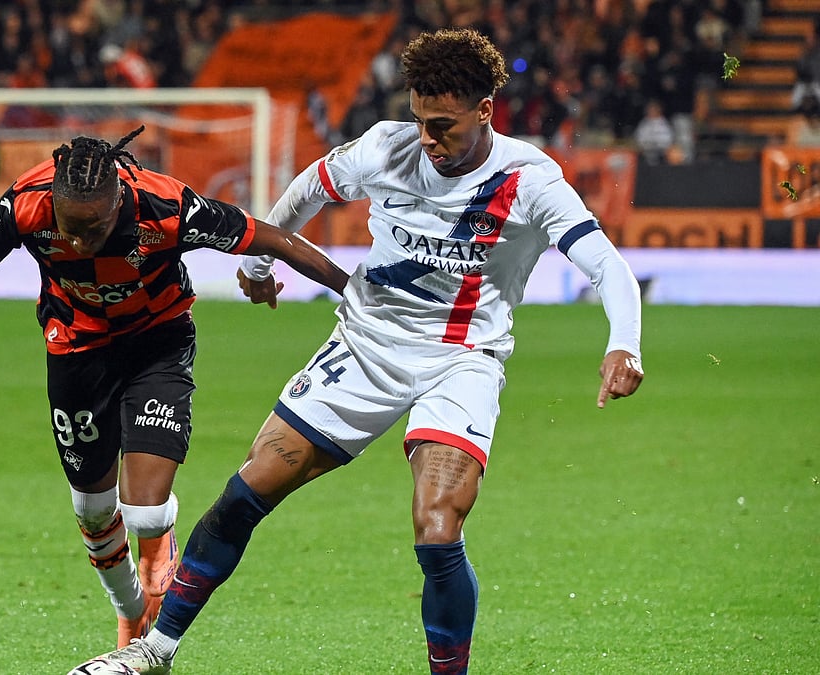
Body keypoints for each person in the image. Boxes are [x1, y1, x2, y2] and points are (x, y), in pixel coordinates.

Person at [78, 27, 644, 675]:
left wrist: (622, 342)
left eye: (443, 125)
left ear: (486, 110)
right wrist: (263, 266)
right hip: (366, 346)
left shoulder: (530, 180)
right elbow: (311, 187)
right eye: (419, 120)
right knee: (247, 490)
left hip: (461, 361)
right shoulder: (385, 147)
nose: (427, 139)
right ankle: (155, 650)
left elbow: (607, 265)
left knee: (437, 525)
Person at [0, 127, 348, 648]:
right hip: (76, 351)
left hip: (157, 343)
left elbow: (275, 237)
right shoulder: (26, 204)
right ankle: (130, 614)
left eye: (96, 226)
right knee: (91, 511)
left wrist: (351, 290)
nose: (81, 240)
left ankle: (158, 541)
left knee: (146, 511)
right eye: (72, 227)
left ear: (118, 200)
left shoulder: (168, 205)